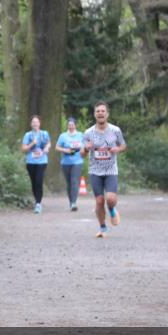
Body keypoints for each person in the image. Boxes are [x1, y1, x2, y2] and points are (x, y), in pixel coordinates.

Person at [82, 101, 126, 238]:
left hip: (111, 170)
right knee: (99, 201)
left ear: (107, 113)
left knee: (110, 199)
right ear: (95, 114)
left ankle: (112, 209)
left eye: (103, 111)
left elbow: (123, 145)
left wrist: (117, 149)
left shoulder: (115, 130)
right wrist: (85, 148)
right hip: (95, 171)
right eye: (98, 111)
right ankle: (102, 227)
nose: (100, 113)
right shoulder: (88, 133)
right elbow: (81, 154)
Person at [20, 116, 51, 213]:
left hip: (42, 161)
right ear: (31, 124)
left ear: (39, 123)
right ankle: (36, 200)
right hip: (30, 161)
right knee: (33, 183)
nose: (35, 124)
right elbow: (24, 149)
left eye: (36, 122)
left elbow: (48, 143)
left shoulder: (44, 134)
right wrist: (32, 144)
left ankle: (38, 203)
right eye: (33, 122)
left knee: (38, 181)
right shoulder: (27, 135)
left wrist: (46, 148)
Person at [55, 117, 84, 211]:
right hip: (66, 162)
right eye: (69, 124)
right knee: (69, 183)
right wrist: (65, 150)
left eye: (72, 124)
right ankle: (71, 201)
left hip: (78, 161)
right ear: (67, 125)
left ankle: (74, 203)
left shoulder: (80, 135)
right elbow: (57, 147)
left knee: (75, 181)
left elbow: (85, 146)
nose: (71, 126)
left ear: (75, 125)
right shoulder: (63, 136)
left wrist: (82, 149)